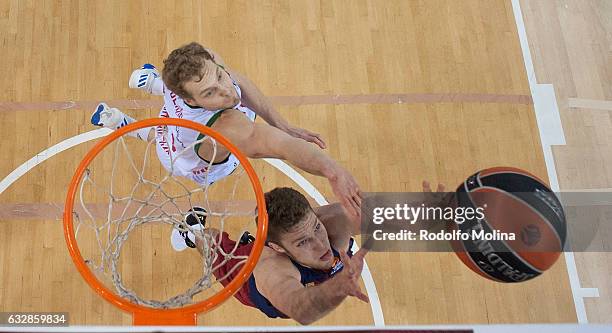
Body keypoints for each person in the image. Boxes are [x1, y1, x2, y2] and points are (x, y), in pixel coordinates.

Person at [91, 42, 362, 217]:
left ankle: (156, 83)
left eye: (219, 77)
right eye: (210, 92)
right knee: (158, 135)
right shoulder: (226, 127)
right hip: (185, 156)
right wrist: (332, 170)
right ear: (191, 100)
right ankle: (124, 124)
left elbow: (238, 83)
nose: (227, 91)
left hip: (181, 110)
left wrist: (282, 123)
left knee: (206, 92)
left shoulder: (206, 62)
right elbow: (282, 146)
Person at [174, 181, 448, 324]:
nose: (322, 245)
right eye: (303, 242)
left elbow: (387, 216)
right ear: (277, 247)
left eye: (316, 228)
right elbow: (299, 309)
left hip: (301, 263)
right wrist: (337, 288)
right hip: (249, 281)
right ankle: (193, 233)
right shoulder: (271, 269)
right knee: (212, 244)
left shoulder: (334, 220)